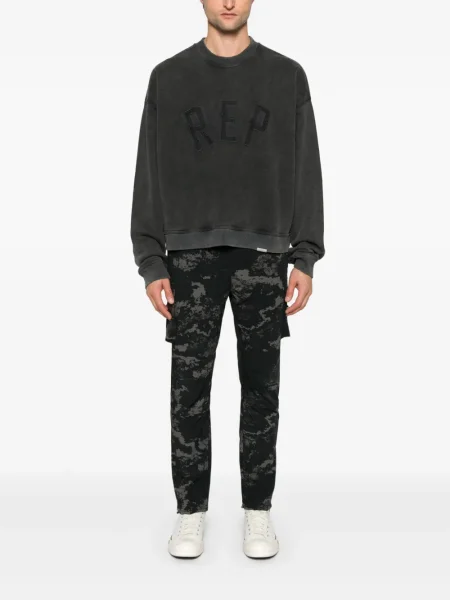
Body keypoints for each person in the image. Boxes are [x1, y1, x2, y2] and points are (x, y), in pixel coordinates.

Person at [130, 0, 324, 560]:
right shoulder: (168, 78)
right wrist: (151, 259)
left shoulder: (287, 76)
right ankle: (190, 512)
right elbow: (148, 169)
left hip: (264, 255)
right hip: (188, 256)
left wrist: (305, 255)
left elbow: (306, 166)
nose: (229, 2)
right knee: (188, 391)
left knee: (262, 389)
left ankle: (257, 512)